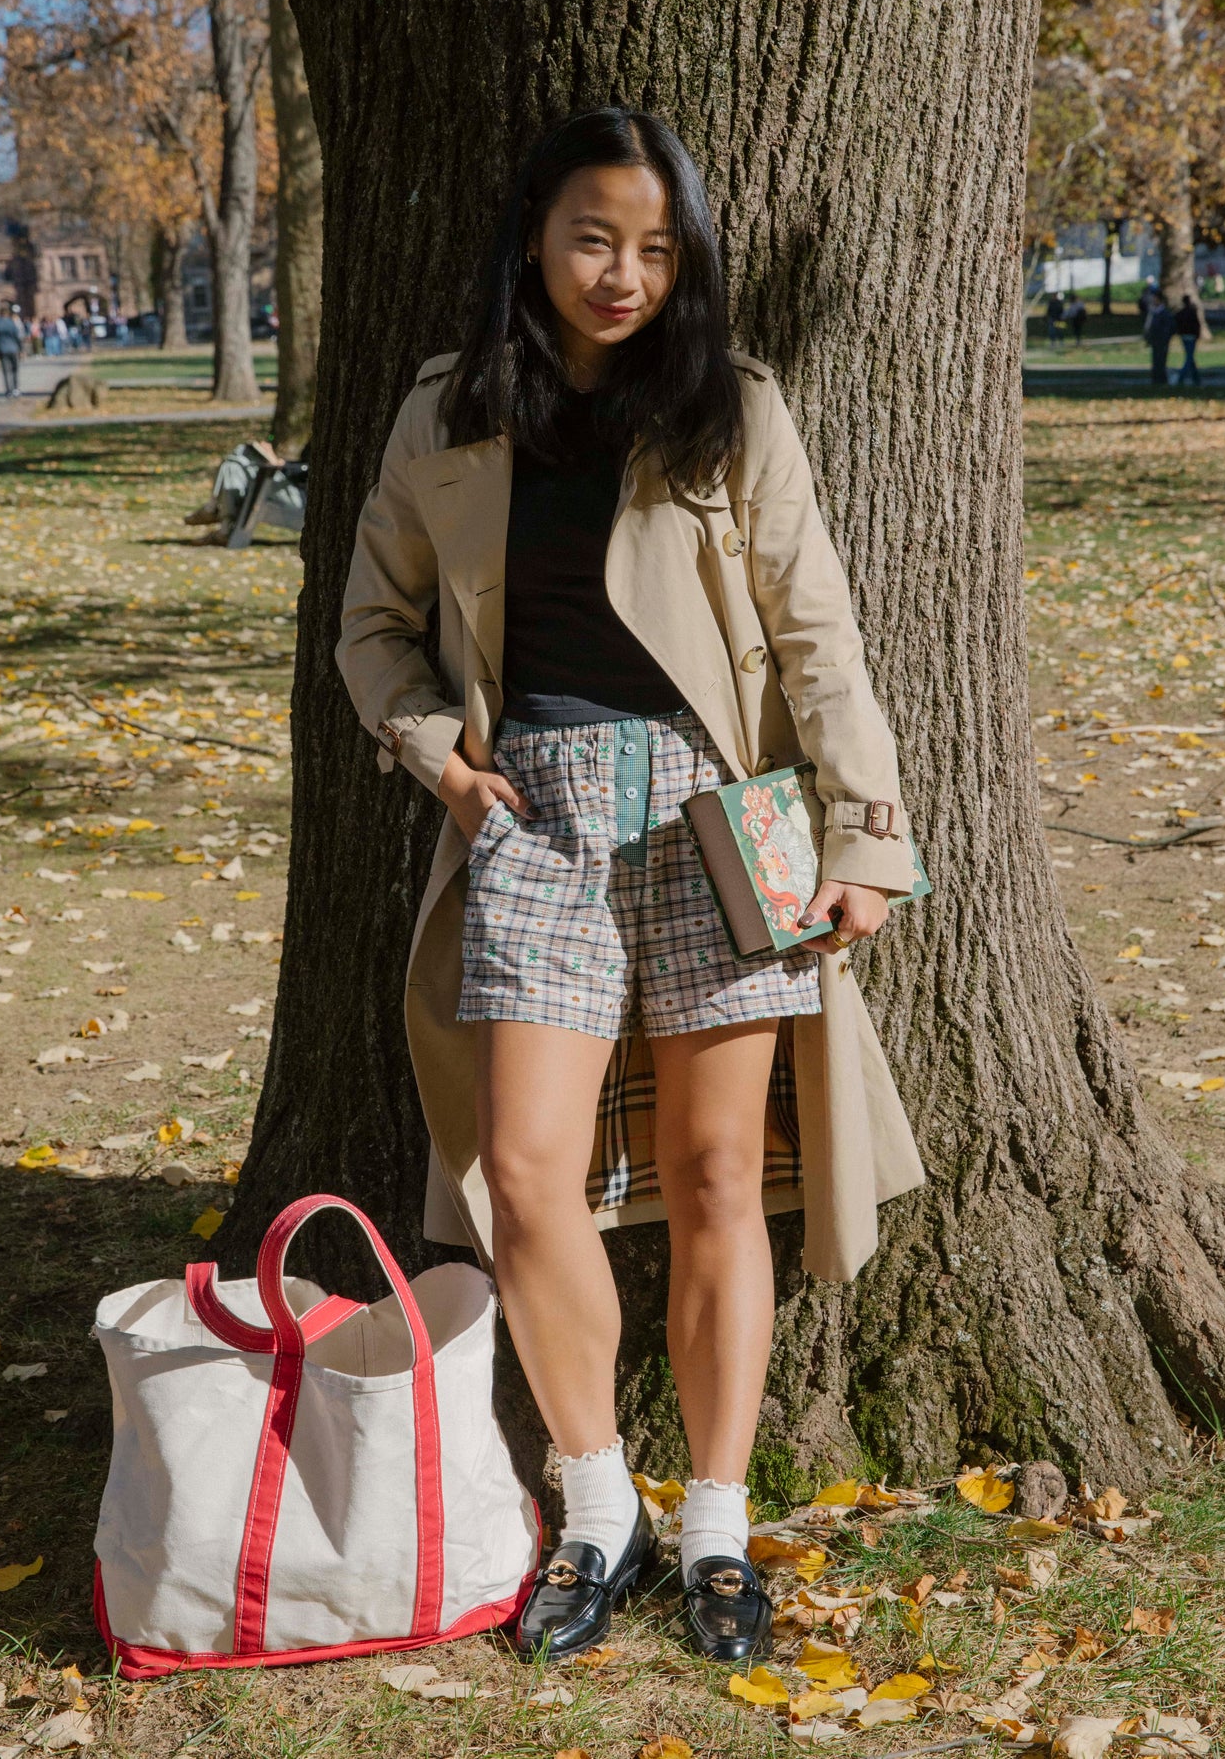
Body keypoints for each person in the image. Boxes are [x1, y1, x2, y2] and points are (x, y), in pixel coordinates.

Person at [335, 106, 923, 1665]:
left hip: (720, 818)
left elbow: (820, 637)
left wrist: (866, 836)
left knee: (723, 1174)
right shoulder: (446, 417)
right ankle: (599, 1506)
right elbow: (371, 628)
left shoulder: (729, 409)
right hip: (528, 808)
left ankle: (718, 1522)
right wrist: (441, 764)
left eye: (657, 247)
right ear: (535, 233)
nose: (623, 273)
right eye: (594, 236)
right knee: (521, 1172)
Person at [183, 438, 306, 543]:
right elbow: (304, 466)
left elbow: (308, 470)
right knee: (232, 464)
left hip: (301, 500)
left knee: (241, 453)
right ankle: (223, 525)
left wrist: (280, 463)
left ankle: (212, 509)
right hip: (292, 490)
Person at [0, 305, 24, 397]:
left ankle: (9, 390)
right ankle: (16, 388)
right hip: (13, 349)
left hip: (2, 350)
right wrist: (21, 349)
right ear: (8, 314)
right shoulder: (12, 323)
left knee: (6, 371)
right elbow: (17, 337)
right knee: (15, 369)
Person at [1146, 295, 1175, 385]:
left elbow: (1170, 328)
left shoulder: (1164, 313)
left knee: (1161, 361)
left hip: (1161, 341)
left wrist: (1164, 338)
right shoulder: (1154, 312)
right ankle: (1156, 379)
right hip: (1155, 341)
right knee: (1156, 361)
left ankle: (1161, 380)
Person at [1174, 294, 1201, 384]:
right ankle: (1181, 377)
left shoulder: (1180, 313)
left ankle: (1196, 378)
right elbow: (1197, 325)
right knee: (1189, 357)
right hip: (1191, 336)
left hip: (1184, 336)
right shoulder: (1192, 312)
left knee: (1190, 356)